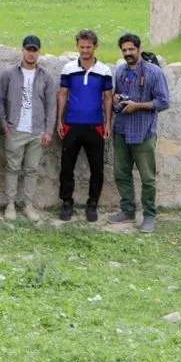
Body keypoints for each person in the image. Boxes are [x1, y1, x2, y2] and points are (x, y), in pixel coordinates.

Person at [108, 33, 171, 233]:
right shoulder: (119, 71)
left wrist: (138, 106)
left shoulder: (154, 72)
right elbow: (116, 97)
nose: (128, 53)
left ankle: (149, 216)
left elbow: (163, 102)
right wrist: (117, 98)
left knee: (148, 178)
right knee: (121, 174)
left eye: (131, 49)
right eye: (124, 50)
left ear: (139, 49)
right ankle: (127, 210)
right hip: (122, 130)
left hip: (144, 132)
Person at [56, 29, 114, 222]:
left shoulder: (104, 71)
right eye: (82, 47)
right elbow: (62, 94)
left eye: (89, 47)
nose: (85, 50)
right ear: (77, 46)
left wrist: (107, 123)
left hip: (95, 126)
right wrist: (59, 121)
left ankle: (92, 204)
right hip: (72, 124)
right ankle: (67, 202)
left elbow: (108, 98)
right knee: (66, 167)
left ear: (95, 46)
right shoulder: (68, 68)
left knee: (97, 168)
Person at [0, 35, 56, 221]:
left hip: (36, 130)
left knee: (32, 169)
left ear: (39, 52)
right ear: (22, 50)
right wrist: (4, 125)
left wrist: (48, 131)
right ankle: (10, 204)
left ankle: (28, 205)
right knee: (12, 168)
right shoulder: (9, 74)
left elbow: (51, 105)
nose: (31, 54)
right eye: (28, 50)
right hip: (15, 129)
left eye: (34, 50)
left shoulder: (45, 77)